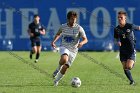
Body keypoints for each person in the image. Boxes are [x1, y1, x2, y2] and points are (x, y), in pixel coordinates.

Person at [51, 11, 88, 86]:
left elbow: (85, 39)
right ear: (68, 19)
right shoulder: (63, 26)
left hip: (73, 50)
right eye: (72, 19)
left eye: (75, 19)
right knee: (64, 59)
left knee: (65, 67)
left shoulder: (79, 28)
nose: (73, 20)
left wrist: (81, 43)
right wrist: (53, 41)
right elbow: (58, 34)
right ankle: (58, 69)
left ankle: (56, 80)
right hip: (64, 46)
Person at [114, 11, 140, 85]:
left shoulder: (130, 26)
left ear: (125, 18)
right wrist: (117, 42)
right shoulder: (116, 29)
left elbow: (138, 28)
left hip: (131, 50)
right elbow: (115, 39)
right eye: (118, 17)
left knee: (129, 66)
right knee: (125, 67)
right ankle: (132, 81)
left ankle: (133, 60)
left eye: (121, 17)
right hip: (122, 50)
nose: (119, 19)